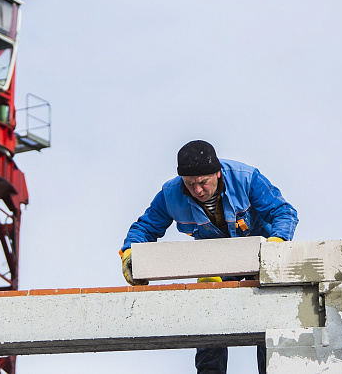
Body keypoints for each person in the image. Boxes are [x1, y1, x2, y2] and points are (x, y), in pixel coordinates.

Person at [119, 140, 298, 374]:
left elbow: (283, 212)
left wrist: (276, 246)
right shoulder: (170, 195)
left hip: (259, 258)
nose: (198, 190)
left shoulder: (246, 179)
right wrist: (131, 254)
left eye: (203, 182)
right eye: (190, 184)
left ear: (217, 173)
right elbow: (144, 228)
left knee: (269, 320)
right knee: (208, 315)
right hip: (215, 263)